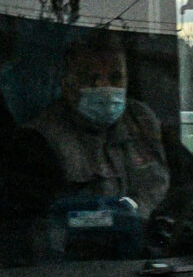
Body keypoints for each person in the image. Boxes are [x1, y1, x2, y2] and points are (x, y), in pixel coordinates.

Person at [25, 28, 173, 212]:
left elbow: (159, 185)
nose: (106, 87)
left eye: (115, 78)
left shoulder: (141, 120)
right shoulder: (42, 137)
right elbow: (48, 219)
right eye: (93, 79)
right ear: (68, 85)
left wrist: (133, 210)